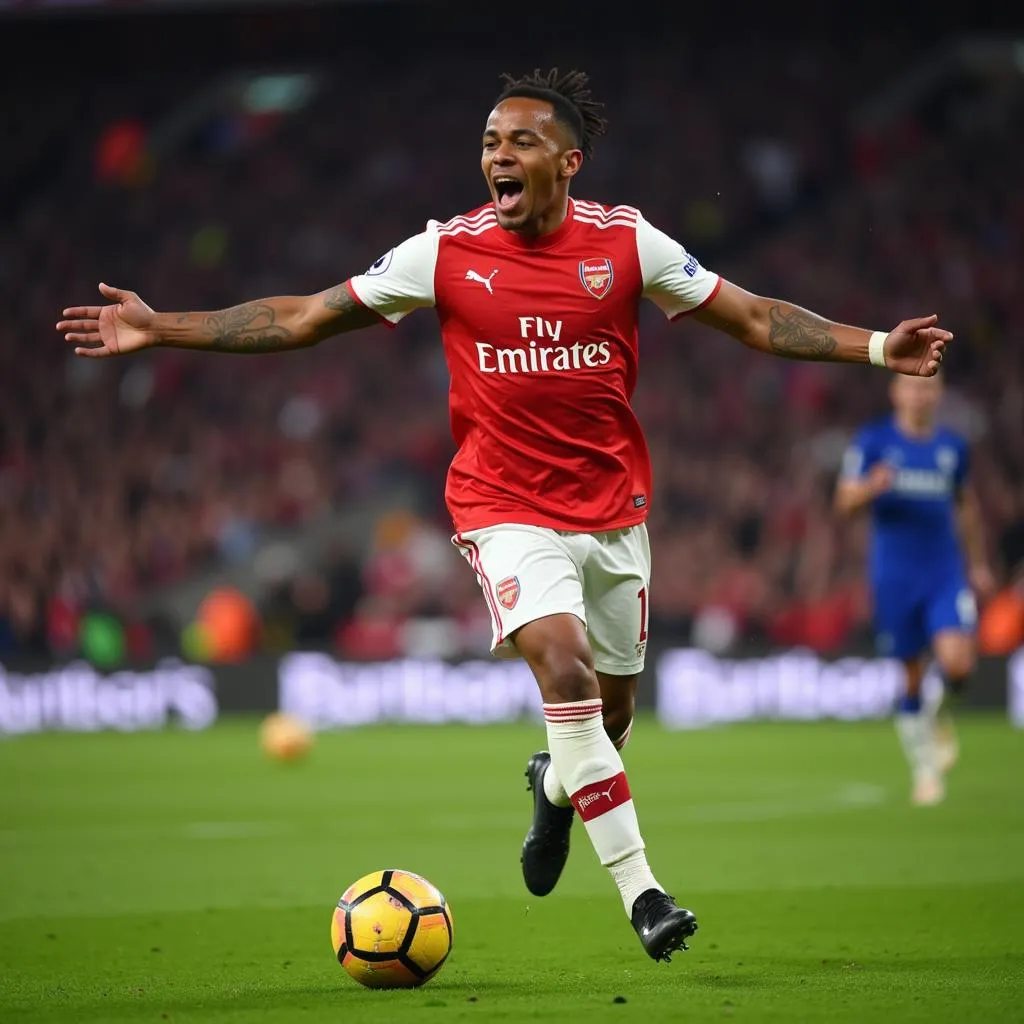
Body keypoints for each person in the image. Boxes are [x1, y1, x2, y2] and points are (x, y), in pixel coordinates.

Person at [58, 68, 950, 961]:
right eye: (489, 141)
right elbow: (301, 318)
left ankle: (555, 788)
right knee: (561, 671)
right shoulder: (442, 253)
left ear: (569, 161)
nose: (498, 155)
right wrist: (159, 327)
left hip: (613, 516)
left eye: (519, 141)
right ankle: (644, 895)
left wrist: (876, 346)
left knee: (607, 723)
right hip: (502, 506)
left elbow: (754, 319)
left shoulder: (627, 245)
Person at [834, 373, 993, 806]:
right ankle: (925, 770)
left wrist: (977, 563)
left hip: (945, 571)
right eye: (911, 387)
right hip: (894, 576)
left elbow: (966, 505)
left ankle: (937, 714)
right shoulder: (873, 442)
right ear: (896, 392)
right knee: (910, 676)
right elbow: (844, 502)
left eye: (927, 388)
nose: (919, 395)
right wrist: (871, 486)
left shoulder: (951, 448)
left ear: (938, 394)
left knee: (958, 663)